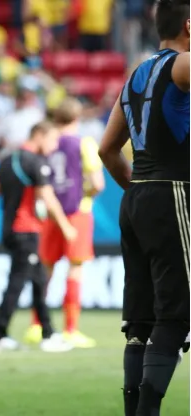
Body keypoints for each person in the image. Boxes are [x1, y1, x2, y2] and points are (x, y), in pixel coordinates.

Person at [97, 1, 189, 413]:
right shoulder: (184, 64)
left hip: (135, 198)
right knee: (176, 315)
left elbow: (107, 149)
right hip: (173, 192)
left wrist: (140, 190)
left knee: (140, 323)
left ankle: (134, 408)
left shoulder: (135, 74)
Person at [0, 121, 75, 353]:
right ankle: (0, 335)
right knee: (17, 283)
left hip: (9, 230)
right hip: (25, 231)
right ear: (39, 135)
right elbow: (48, 198)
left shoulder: (8, 160)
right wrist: (66, 227)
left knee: (39, 280)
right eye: (52, 140)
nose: (54, 146)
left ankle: (48, 333)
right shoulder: (35, 162)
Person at [24, 98, 105, 349]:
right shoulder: (84, 143)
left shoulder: (47, 140)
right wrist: (87, 194)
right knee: (75, 268)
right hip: (77, 212)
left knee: (45, 269)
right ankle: (71, 329)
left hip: (49, 212)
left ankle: (37, 325)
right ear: (77, 118)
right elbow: (98, 183)